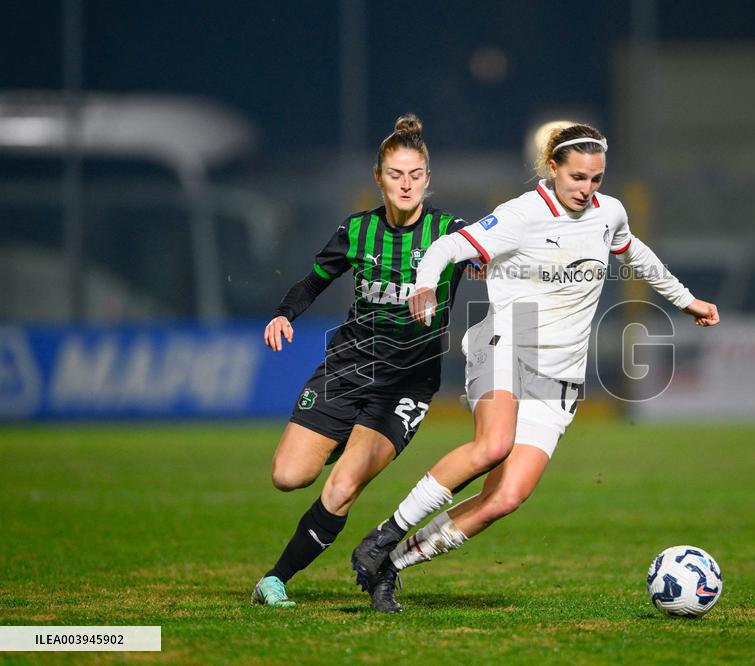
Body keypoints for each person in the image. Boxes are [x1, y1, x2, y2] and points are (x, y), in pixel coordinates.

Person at [348, 123, 721, 613]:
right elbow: (446, 247)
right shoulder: (521, 215)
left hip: (560, 374)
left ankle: (389, 565)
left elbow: (635, 253)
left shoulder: (609, 214)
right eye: (578, 178)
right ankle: (383, 535)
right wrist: (423, 283)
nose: (587, 190)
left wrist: (685, 299)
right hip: (507, 340)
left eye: (596, 179)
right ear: (553, 169)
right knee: (493, 445)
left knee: (505, 499)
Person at [251, 115, 471, 607]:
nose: (406, 183)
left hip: (407, 384)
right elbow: (311, 282)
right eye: (396, 174)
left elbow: (496, 255)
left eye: (415, 174)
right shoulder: (356, 231)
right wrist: (285, 314)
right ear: (378, 178)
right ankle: (338, 437)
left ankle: (275, 580)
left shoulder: (451, 234)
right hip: (348, 367)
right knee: (288, 476)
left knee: (342, 486)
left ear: (428, 178)